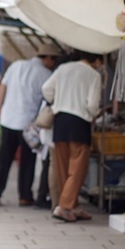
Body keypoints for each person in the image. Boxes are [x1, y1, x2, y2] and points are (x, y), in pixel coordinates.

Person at [0, 44, 57, 207]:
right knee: (27, 160)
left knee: (4, 157)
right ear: (46, 58)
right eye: (53, 59)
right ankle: (24, 196)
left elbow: (2, 86)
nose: (53, 63)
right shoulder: (46, 74)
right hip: (28, 123)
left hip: (8, 118)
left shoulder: (16, 65)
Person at [41, 51, 103, 222]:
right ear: (96, 60)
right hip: (79, 122)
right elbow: (92, 105)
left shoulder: (63, 68)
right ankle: (65, 206)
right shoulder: (93, 75)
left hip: (60, 120)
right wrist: (94, 113)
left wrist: (57, 101)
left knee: (62, 167)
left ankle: (73, 207)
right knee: (77, 168)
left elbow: (46, 89)